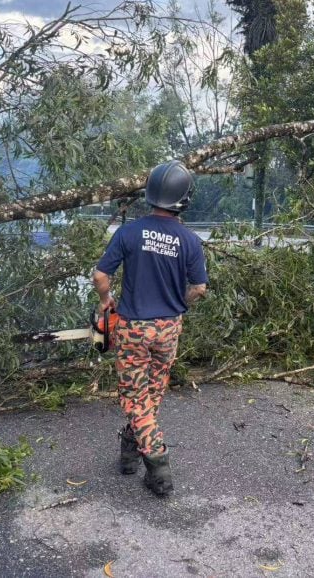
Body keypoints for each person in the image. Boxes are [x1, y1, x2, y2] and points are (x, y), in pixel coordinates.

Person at [92, 160, 208, 496]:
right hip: (169, 329)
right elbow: (199, 288)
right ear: (184, 198)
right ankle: (130, 450)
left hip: (133, 327)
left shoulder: (128, 233)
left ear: (150, 193)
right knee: (152, 393)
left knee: (134, 397)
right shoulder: (190, 240)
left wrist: (106, 300)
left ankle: (158, 466)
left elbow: (101, 276)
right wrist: (179, 303)